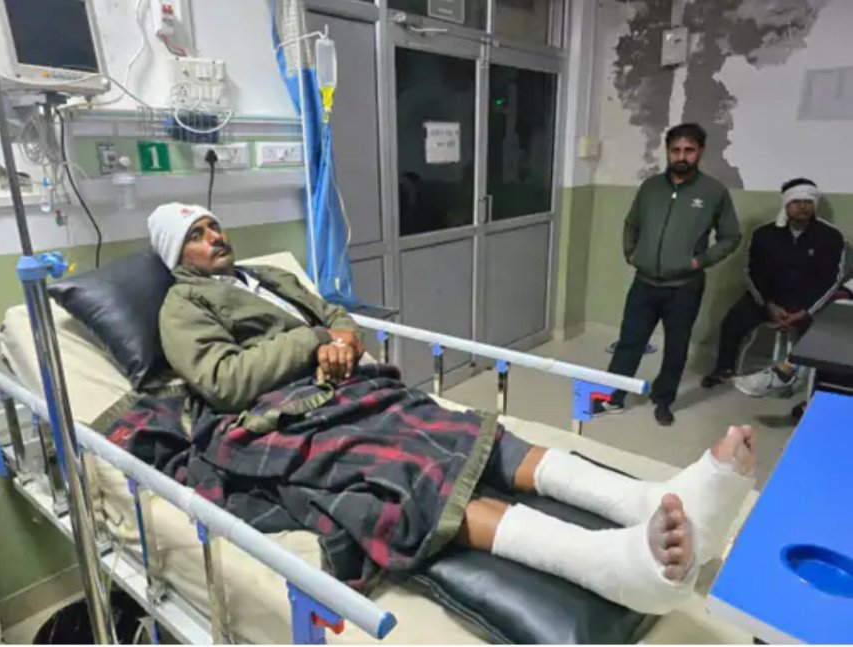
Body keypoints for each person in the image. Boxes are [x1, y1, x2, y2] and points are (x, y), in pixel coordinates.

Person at [145, 202, 756, 615]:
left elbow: (333, 313)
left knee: (466, 429)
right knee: (408, 471)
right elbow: (223, 380)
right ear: (177, 254)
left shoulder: (263, 276)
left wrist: (342, 336)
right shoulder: (183, 306)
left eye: (214, 226)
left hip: (347, 385)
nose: (215, 237)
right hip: (284, 413)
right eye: (197, 235)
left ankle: (642, 499)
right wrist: (314, 342)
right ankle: (607, 565)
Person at [599, 123, 741, 426]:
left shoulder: (713, 192)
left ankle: (663, 400)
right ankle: (613, 396)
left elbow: (731, 237)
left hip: (685, 287)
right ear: (667, 151)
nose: (682, 156)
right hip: (644, 283)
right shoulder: (651, 187)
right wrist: (631, 253)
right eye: (676, 150)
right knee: (629, 341)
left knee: (676, 347)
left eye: (689, 150)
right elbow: (632, 223)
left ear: (700, 152)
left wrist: (700, 261)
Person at [702, 179, 847, 396]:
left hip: (808, 304)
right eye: (796, 201)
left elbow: (832, 279)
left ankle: (807, 383)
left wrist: (805, 311)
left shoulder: (830, 236)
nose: (803, 207)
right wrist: (768, 305)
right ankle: (724, 369)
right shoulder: (764, 234)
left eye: (808, 201)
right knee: (733, 321)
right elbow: (752, 272)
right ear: (786, 204)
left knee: (825, 334)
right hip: (768, 299)